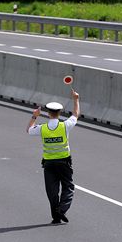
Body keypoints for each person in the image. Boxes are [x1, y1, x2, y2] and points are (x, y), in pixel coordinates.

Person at [26, 90, 80, 224]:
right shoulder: (65, 126)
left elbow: (28, 130)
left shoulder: (42, 128)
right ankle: (61, 210)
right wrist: (76, 99)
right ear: (60, 112)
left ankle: (56, 217)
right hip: (64, 163)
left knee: (52, 190)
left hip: (49, 164)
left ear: (48, 113)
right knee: (68, 187)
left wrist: (34, 116)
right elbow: (75, 114)